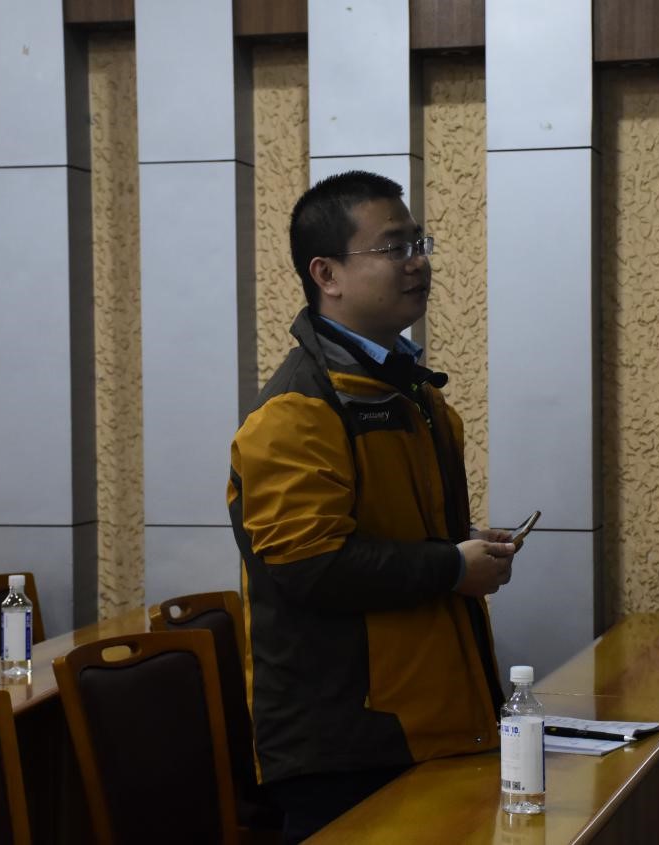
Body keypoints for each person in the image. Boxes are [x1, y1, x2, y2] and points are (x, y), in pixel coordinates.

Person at [227, 170, 521, 842]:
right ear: (326, 273)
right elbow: (310, 566)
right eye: (393, 248)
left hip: (427, 721)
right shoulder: (296, 410)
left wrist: (464, 544)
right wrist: (452, 566)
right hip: (348, 742)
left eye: (419, 243)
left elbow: (388, 533)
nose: (417, 262)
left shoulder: (409, 391)